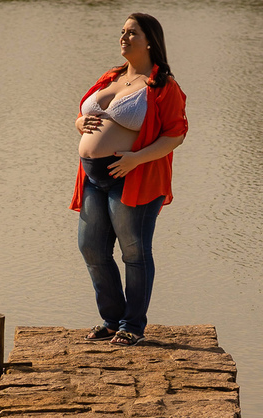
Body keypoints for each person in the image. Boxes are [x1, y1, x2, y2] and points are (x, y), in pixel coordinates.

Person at [72, 12, 187, 347]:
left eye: (132, 32)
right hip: (94, 176)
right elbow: (83, 116)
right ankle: (111, 320)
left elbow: (176, 134)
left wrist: (137, 159)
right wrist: (80, 124)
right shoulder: (112, 75)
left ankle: (132, 326)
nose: (124, 37)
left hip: (134, 176)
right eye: (122, 31)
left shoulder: (164, 85)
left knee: (134, 251)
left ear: (149, 40)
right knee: (91, 247)